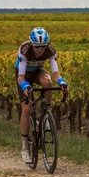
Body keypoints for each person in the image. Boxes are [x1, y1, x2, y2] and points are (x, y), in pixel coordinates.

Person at [15, 27, 69, 164]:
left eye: (42, 47)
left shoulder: (50, 50)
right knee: (26, 109)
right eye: (37, 47)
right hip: (24, 75)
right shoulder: (25, 49)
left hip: (38, 71)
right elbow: (20, 77)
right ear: (32, 44)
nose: (40, 50)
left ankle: (46, 113)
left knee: (48, 81)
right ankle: (25, 146)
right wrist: (25, 86)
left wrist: (62, 82)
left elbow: (55, 74)